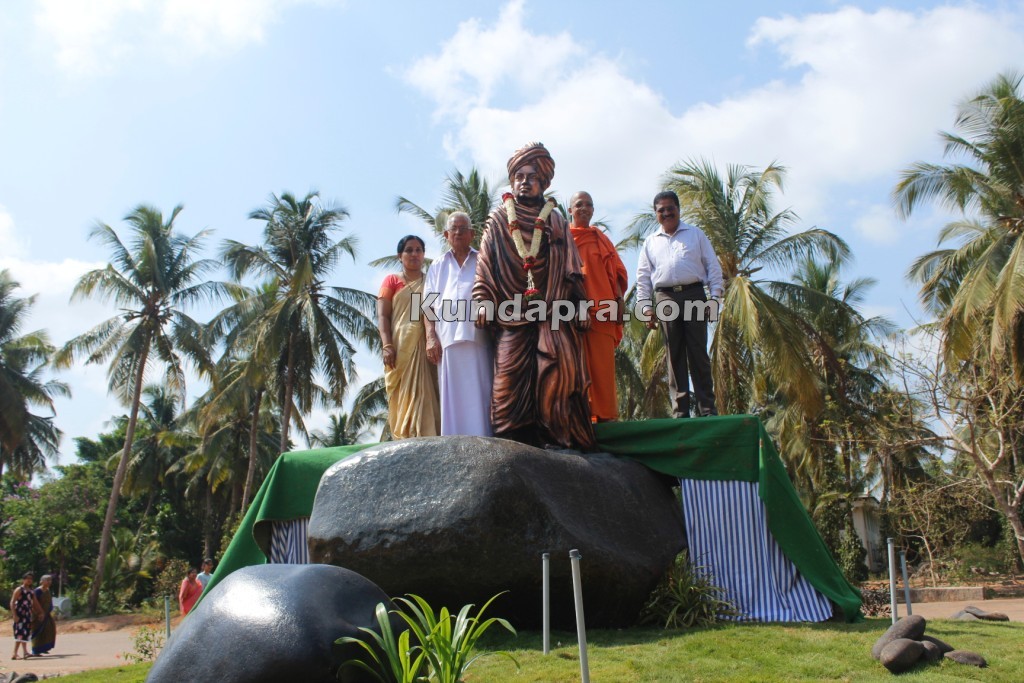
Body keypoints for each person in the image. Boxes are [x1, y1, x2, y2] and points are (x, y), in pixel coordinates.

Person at [473, 142, 594, 449]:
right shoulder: (499, 219)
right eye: (519, 177)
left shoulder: (555, 220)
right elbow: (485, 264)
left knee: (552, 374)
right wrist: (483, 301)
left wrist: (580, 306)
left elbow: (572, 270)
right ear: (512, 181)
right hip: (510, 313)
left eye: (531, 177)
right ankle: (512, 443)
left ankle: (554, 438)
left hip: (551, 312)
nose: (525, 182)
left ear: (543, 182)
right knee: (507, 382)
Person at [636, 190, 723, 418]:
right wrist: (645, 308)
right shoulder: (650, 242)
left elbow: (713, 267)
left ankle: (707, 409)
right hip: (665, 297)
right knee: (673, 353)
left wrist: (715, 298)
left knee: (698, 351)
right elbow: (643, 278)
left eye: (670, 208)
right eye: (661, 210)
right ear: (655, 214)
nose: (666, 213)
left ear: (678, 209)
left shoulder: (695, 234)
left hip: (694, 294)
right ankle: (680, 411)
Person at [424, 212, 494, 436]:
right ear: (446, 234)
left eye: (463, 229)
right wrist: (430, 337)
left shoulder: (483, 260)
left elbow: (494, 292)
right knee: (451, 397)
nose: (458, 233)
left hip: (479, 337)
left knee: (481, 392)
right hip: (447, 339)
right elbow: (427, 306)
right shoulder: (437, 265)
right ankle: (453, 443)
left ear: (472, 234)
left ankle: (484, 441)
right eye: (453, 229)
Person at [568, 191, 629, 422]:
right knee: (576, 370)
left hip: (603, 313)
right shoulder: (562, 240)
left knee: (603, 371)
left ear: (593, 210)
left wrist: (620, 302)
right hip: (572, 314)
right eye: (579, 204)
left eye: (589, 205)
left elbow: (617, 273)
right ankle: (580, 421)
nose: (584, 208)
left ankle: (607, 419)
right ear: (570, 210)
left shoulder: (601, 239)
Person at [378, 235, 441, 438]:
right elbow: (383, 316)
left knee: (429, 393)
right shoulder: (391, 281)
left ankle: (429, 437)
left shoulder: (431, 281)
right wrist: (387, 345)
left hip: (428, 345)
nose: (414, 254)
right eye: (409, 250)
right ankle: (407, 437)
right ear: (400, 255)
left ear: (423, 254)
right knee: (405, 395)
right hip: (401, 347)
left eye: (418, 250)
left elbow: (433, 312)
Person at [10, 572, 41, 660]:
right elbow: (12, 602)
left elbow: (34, 603)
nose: (29, 580)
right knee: (19, 633)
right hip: (20, 613)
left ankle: (25, 652)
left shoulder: (31, 591)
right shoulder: (19, 589)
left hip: (27, 614)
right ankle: (15, 653)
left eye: (31, 579)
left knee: (25, 633)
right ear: (23, 580)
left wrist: (39, 612)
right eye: (27, 578)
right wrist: (14, 615)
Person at [30, 574, 56, 656]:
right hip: (38, 615)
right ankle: (35, 650)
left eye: (50, 580)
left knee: (48, 630)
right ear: (41, 581)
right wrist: (38, 613)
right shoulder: (38, 591)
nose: (49, 582)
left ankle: (43, 647)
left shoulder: (47, 590)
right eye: (47, 580)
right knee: (37, 632)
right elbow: (33, 603)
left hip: (46, 614)